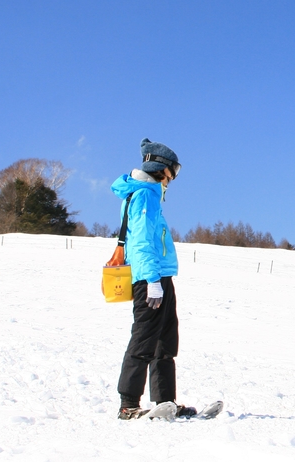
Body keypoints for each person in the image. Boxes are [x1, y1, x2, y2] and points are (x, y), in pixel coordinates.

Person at [112, 138, 191, 420]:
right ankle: (128, 405)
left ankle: (164, 402)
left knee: (165, 342)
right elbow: (143, 242)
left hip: (160, 277)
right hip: (149, 279)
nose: (173, 177)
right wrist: (152, 281)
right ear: (162, 168)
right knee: (144, 339)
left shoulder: (150, 195)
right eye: (173, 170)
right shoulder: (144, 195)